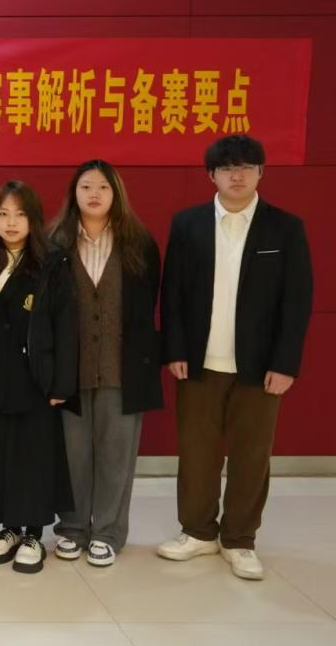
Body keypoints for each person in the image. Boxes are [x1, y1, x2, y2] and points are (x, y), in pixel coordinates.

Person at [157, 134, 313, 581]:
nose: (237, 175)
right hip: (199, 362)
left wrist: (285, 363)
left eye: (246, 167)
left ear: (261, 172)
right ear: (212, 175)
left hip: (260, 366)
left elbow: (296, 301)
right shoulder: (188, 224)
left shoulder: (285, 228)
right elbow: (173, 293)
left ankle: (240, 539)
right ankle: (198, 532)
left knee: (251, 454)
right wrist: (175, 349)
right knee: (197, 452)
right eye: (227, 168)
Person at [0, 181, 77, 575]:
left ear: (34, 219)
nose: (10, 222)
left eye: (20, 214)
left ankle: (34, 533)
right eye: (3, 214)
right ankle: (8, 528)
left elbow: (65, 326)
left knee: (32, 456)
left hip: (34, 377)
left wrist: (62, 383)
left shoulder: (52, 262)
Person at [47, 160, 162, 567]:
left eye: (103, 187)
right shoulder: (55, 242)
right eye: (86, 187)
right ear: (73, 194)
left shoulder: (139, 243)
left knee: (116, 455)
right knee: (72, 455)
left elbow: (147, 306)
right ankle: (72, 528)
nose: (94, 194)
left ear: (116, 194)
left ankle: (109, 532)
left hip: (122, 369)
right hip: (69, 371)